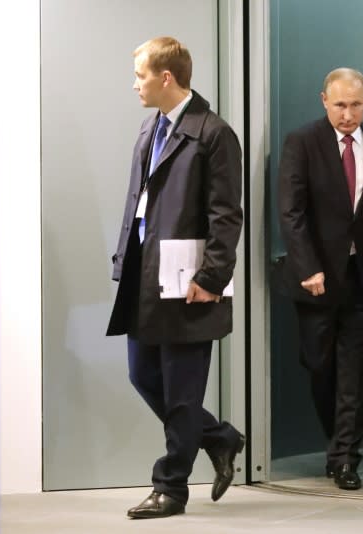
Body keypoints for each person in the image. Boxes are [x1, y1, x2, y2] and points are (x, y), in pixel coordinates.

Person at [106, 37, 245, 519]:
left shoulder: (213, 133)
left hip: (190, 282)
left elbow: (227, 215)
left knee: (182, 390)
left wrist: (212, 275)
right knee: (143, 374)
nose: (135, 84)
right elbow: (139, 204)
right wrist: (124, 259)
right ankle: (220, 437)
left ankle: (171, 488)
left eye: (140, 75)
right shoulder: (150, 129)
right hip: (145, 276)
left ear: (167, 77)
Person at [277, 68, 363, 491]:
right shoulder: (302, 141)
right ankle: (337, 442)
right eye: (339, 105)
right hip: (316, 276)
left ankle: (346, 457)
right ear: (324, 100)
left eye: (355, 105)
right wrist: (307, 266)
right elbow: (291, 212)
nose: (348, 114)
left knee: (354, 370)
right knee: (319, 365)